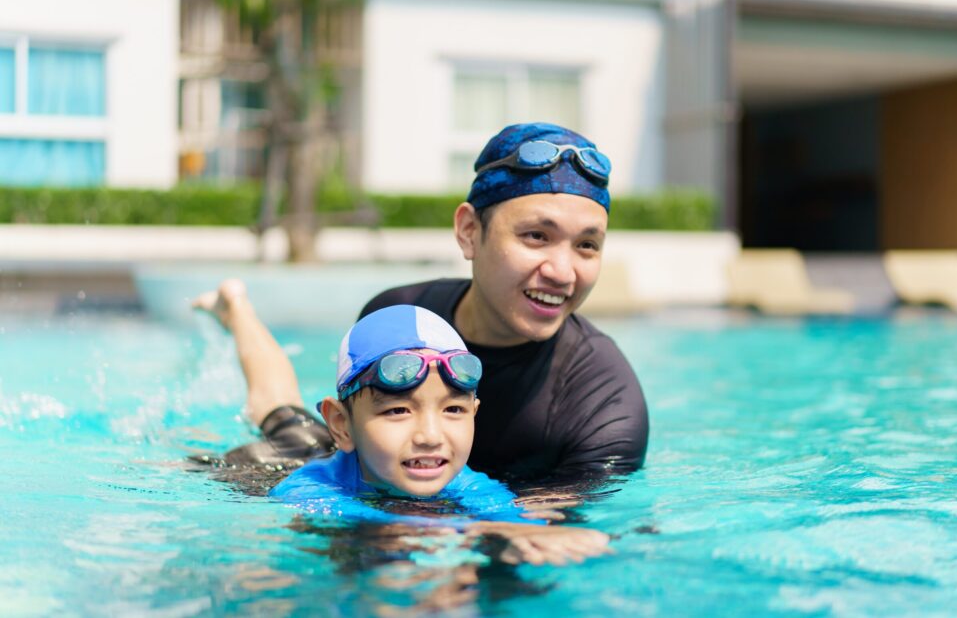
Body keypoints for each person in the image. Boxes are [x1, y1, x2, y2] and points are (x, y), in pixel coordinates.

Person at [196, 122, 648, 483]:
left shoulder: (604, 405)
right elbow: (346, 440)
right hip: (352, 470)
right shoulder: (403, 311)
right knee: (286, 422)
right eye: (536, 236)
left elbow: (543, 538)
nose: (563, 272)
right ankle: (237, 308)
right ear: (469, 231)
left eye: (587, 246)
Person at [229, 299, 612, 565]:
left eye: (453, 410)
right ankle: (236, 309)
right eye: (398, 410)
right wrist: (466, 527)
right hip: (281, 460)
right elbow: (332, 518)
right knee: (278, 410)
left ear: (474, 413)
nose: (430, 435)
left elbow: (505, 514)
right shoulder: (307, 489)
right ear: (342, 425)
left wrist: (532, 531)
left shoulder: (466, 483)